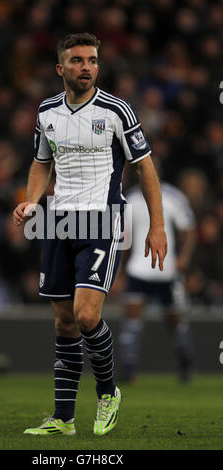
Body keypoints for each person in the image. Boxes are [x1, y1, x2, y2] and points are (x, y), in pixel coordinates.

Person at [13, 33, 167, 437]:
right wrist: (31, 202)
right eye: (78, 60)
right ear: (60, 69)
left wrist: (158, 225)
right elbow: (39, 163)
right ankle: (63, 418)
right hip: (59, 222)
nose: (87, 67)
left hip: (102, 220)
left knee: (86, 315)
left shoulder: (117, 111)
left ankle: (108, 392)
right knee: (64, 321)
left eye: (93, 60)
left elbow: (146, 168)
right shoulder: (47, 111)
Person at [119, 179, 196, 383]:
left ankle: (186, 365)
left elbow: (188, 229)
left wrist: (184, 259)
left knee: (176, 321)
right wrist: (119, 268)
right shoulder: (130, 198)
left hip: (167, 270)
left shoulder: (172, 197)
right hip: (138, 268)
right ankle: (129, 370)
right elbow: (123, 238)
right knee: (132, 321)